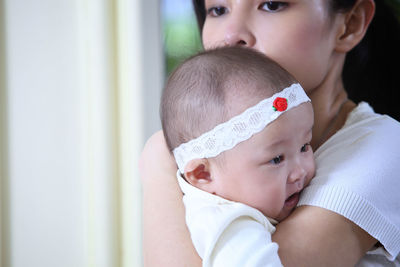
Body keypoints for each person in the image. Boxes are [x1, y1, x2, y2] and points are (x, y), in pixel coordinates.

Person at [140, 0, 400, 266]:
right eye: (218, 10)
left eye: (272, 5)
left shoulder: (384, 148)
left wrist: (158, 163)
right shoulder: (205, 156)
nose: (231, 34)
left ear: (350, 24)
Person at [161, 46, 315, 266]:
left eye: (304, 146)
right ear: (203, 174)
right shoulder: (231, 227)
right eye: (276, 159)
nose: (300, 170)